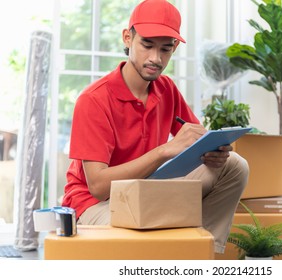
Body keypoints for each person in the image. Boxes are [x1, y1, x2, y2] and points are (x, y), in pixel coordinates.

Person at [62, 0, 249, 254]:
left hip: (147, 189)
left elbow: (196, 138)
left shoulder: (167, 88)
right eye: (147, 45)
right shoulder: (93, 100)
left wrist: (213, 152)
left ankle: (203, 253)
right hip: (97, 202)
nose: (155, 58)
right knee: (142, 224)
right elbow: (98, 186)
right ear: (128, 38)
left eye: (166, 49)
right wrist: (164, 151)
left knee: (234, 165)